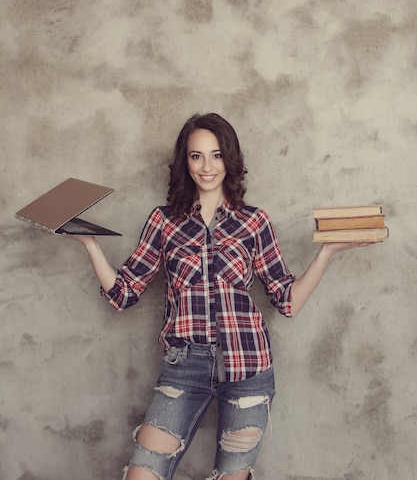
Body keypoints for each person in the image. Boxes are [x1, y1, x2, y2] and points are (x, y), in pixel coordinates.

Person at [60, 113, 376, 480]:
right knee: (142, 474)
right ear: (185, 161)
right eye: (196, 156)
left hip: (248, 364)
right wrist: (88, 242)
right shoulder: (164, 221)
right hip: (184, 365)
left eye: (216, 155)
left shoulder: (254, 222)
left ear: (230, 159)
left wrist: (326, 253)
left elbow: (287, 300)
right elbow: (124, 294)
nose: (207, 166)